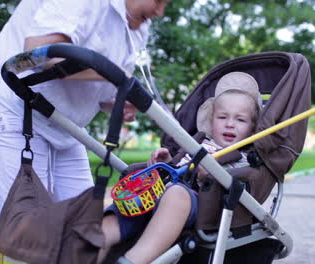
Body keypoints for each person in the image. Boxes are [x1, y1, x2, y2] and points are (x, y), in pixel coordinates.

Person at [0, 0, 170, 216]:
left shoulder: (137, 23)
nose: (159, 12)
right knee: (32, 229)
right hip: (13, 106)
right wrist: (116, 75)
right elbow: (35, 53)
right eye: (158, 0)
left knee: (81, 224)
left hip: (63, 124)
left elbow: (95, 81)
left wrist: (114, 102)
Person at [100, 72, 262, 264]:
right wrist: (167, 161)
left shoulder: (244, 159)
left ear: (252, 129)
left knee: (177, 194)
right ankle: (89, 249)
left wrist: (210, 176)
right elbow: (179, 167)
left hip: (199, 204)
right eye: (222, 117)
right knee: (124, 206)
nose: (229, 124)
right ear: (211, 121)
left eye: (240, 120)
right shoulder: (198, 143)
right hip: (155, 195)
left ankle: (133, 260)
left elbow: (238, 185)